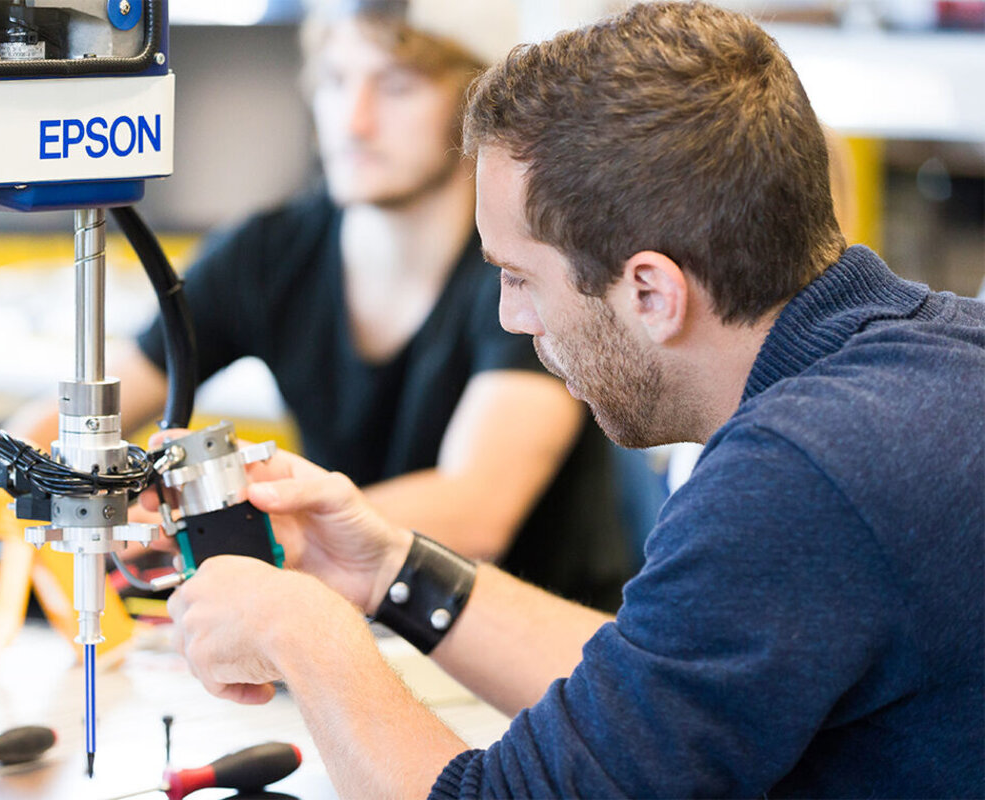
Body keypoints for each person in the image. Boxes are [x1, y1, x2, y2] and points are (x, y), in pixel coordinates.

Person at [160, 2, 985, 797]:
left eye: (519, 279)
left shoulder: (797, 478)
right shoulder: (935, 356)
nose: (508, 317)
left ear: (652, 293)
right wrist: (383, 570)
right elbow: (651, 689)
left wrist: (303, 634)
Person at [8, 0, 632, 608]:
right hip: (355, 620)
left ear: (476, 104)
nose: (354, 120)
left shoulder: (526, 272)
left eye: (396, 86)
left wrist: (248, 525)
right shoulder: (267, 252)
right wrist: (50, 481)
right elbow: (66, 426)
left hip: (540, 648)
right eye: (336, 81)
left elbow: (475, 510)